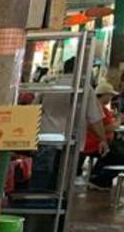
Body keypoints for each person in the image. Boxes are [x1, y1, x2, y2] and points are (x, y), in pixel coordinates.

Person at [35, 57, 108, 191]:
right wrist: (103, 139)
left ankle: (33, 207)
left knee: (40, 179)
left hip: (44, 139)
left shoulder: (50, 84)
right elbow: (95, 119)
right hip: (69, 142)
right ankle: (54, 208)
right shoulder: (84, 88)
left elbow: (35, 109)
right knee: (61, 183)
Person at [80, 79, 118, 190]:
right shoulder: (98, 108)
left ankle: (100, 177)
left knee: (115, 152)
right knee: (116, 155)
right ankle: (99, 179)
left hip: (97, 142)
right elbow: (104, 127)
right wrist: (119, 121)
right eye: (110, 95)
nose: (111, 98)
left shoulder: (102, 108)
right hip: (93, 143)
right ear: (105, 95)